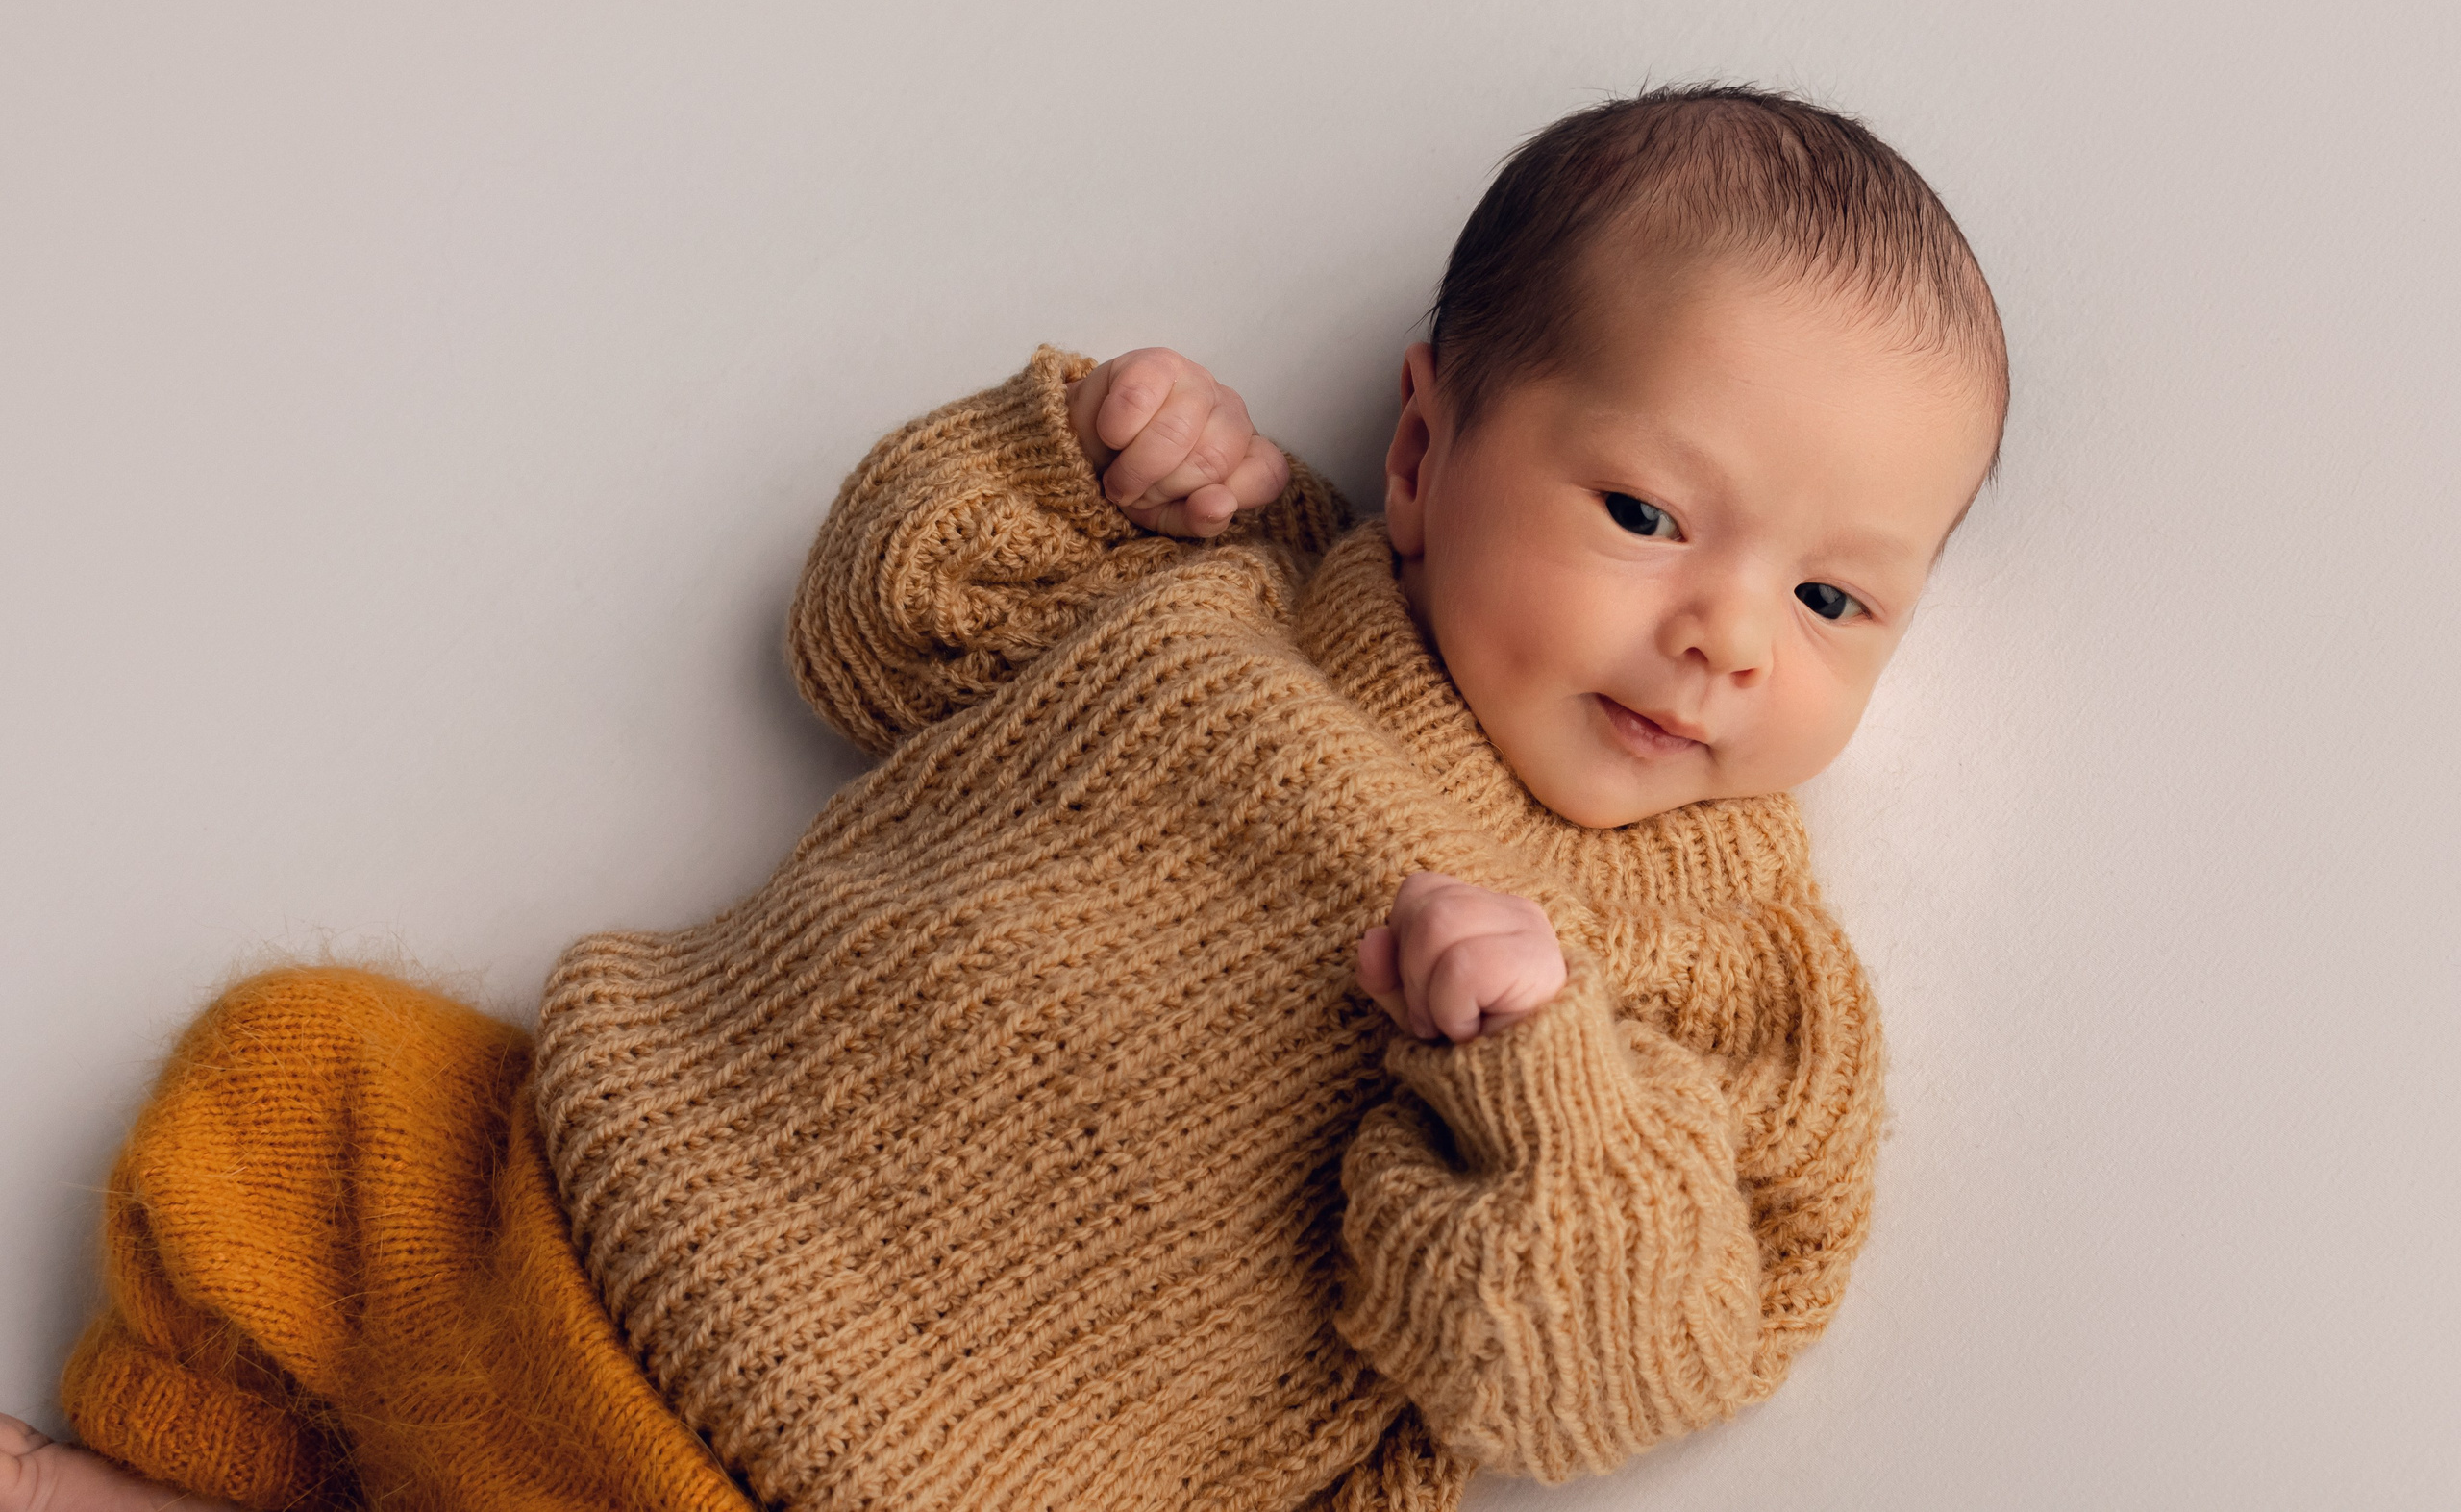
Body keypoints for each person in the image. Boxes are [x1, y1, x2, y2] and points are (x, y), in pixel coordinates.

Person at [3, 84, 2007, 1512]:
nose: (1725, 637)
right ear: (1422, 453)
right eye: (1647, 513)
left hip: (934, 1477)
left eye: (1833, 599)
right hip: (582, 1209)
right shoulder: (1228, 587)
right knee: (284, 1088)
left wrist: (1537, 1081)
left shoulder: (1722, 984)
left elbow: (1609, 1375)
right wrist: (1077, 456)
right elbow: (872, 629)